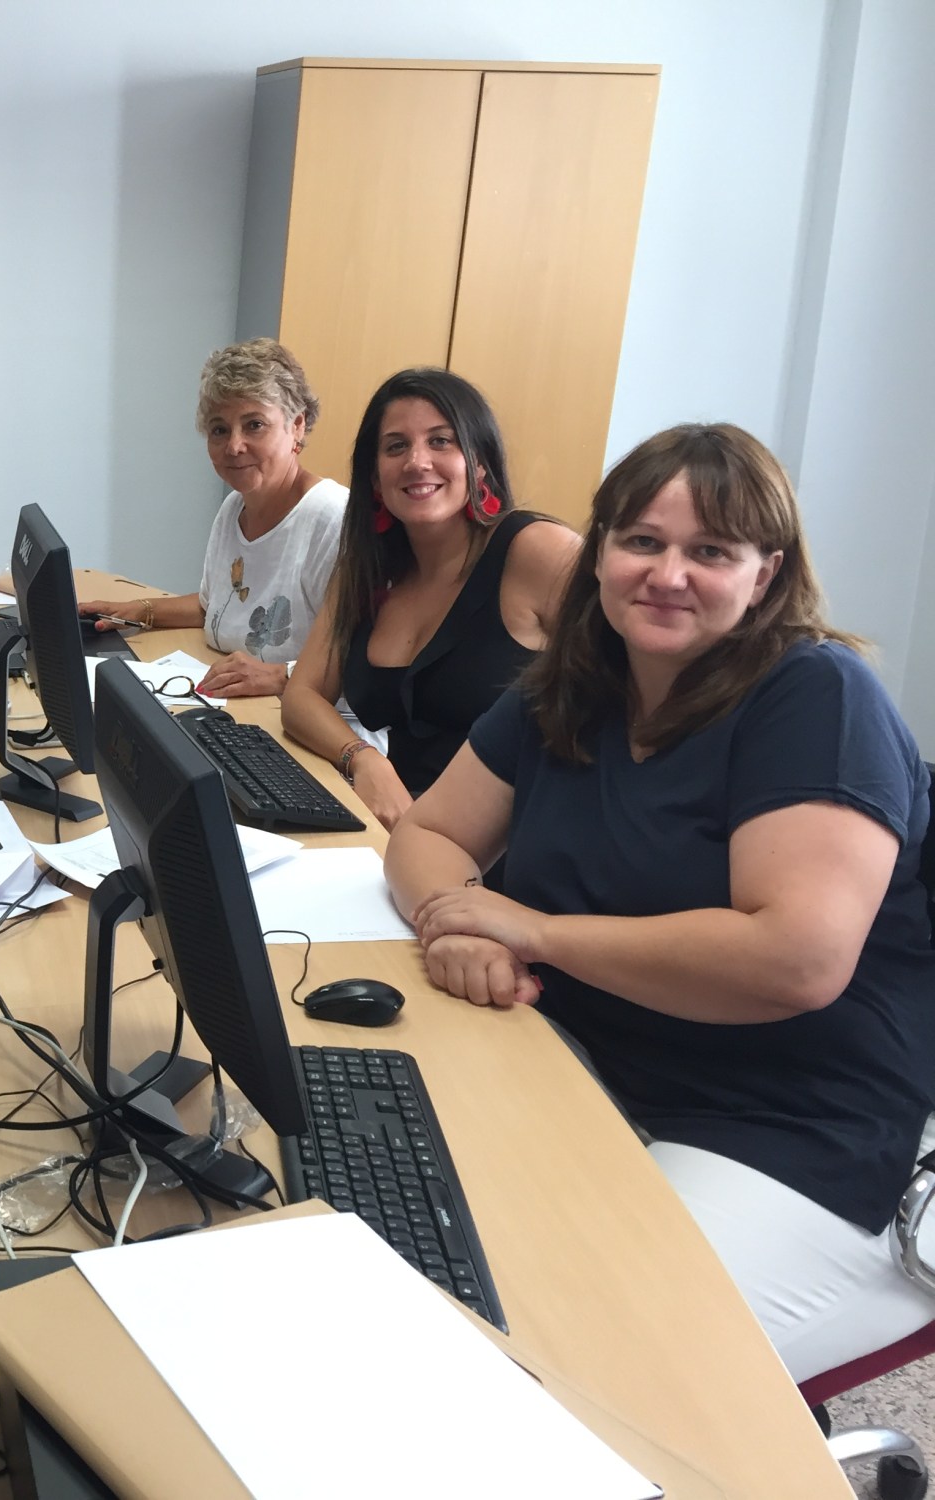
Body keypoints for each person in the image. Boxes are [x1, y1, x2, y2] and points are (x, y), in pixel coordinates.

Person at [385, 423, 935, 1383]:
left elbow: (796, 958)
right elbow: (427, 834)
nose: (667, 574)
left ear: (765, 575)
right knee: (407, 1257)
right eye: (642, 540)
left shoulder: (816, 696)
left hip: (798, 1125)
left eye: (710, 551)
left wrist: (536, 931)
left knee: (572, 1372)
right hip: (592, 1062)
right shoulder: (574, 685)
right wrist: (458, 920)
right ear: (599, 550)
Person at [281, 369, 579, 829]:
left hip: (516, 840)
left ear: (478, 463)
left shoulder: (537, 550)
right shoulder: (367, 567)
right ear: (374, 477)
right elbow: (302, 696)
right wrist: (363, 758)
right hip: (400, 829)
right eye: (396, 446)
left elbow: (631, 694)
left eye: (441, 441)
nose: (417, 462)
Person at [80, 338, 346, 697]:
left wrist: (280, 676)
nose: (234, 446)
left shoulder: (334, 520)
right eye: (220, 429)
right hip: (237, 702)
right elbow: (214, 606)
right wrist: (136, 611)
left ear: (296, 426)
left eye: (254, 425)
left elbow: (367, 660)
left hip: (303, 714)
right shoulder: (234, 507)